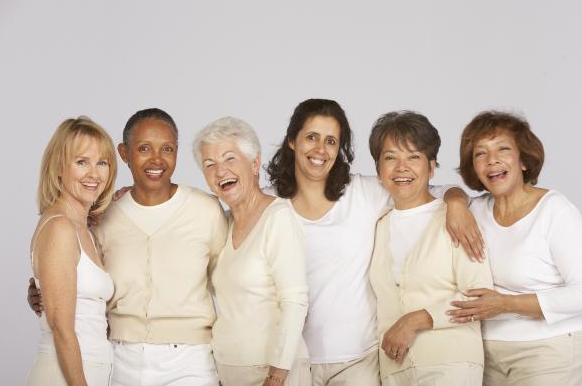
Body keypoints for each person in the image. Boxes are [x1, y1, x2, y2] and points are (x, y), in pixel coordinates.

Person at [265, 99, 485, 386]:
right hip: (294, 357)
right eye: (311, 137)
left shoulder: (362, 193)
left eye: (331, 140)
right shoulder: (269, 205)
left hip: (359, 358)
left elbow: (421, 190)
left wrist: (456, 201)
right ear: (292, 141)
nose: (320, 149)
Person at [30, 108, 228, 386]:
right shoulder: (103, 219)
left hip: (189, 361)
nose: (157, 159)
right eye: (144, 148)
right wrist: (42, 291)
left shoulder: (206, 210)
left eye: (167, 149)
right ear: (124, 154)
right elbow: (73, 284)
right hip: (121, 360)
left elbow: (232, 284)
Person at [448, 111, 582, 386]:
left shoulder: (555, 210)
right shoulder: (475, 210)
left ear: (522, 160)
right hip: (486, 351)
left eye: (503, 149)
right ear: (473, 168)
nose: (492, 160)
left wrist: (505, 304)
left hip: (553, 346)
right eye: (480, 154)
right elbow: (432, 191)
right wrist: (455, 202)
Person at [367, 111, 494, 386]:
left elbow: (479, 294)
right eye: (390, 158)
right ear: (379, 170)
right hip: (394, 369)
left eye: (413, 157)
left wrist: (415, 320)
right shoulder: (376, 226)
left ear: (432, 166)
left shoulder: (456, 217)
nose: (401, 167)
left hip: (451, 363)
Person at [193, 117, 310, 386]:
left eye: (229, 158)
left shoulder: (278, 218)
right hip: (229, 370)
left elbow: (295, 302)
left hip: (274, 373)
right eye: (209, 165)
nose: (220, 171)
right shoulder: (222, 224)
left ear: (255, 163)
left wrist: (278, 374)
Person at [27, 117, 117, 386]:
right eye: (81, 162)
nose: (94, 174)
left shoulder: (84, 230)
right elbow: (62, 328)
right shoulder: (60, 228)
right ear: (58, 168)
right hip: (65, 375)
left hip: (93, 370)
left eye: (101, 162)